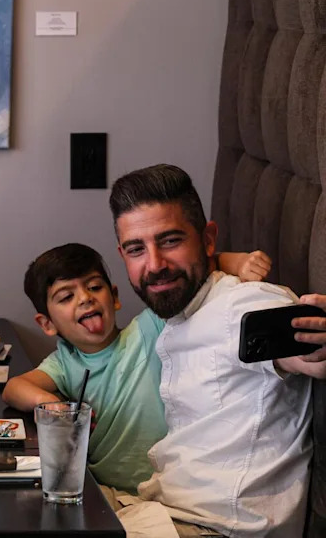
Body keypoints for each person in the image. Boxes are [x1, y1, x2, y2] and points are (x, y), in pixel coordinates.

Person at [109, 164, 325, 538]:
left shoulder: (246, 307)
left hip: (217, 530)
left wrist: (317, 347)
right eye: (136, 249)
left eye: (171, 240)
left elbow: (306, 351)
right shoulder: (180, 312)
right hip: (162, 513)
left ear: (208, 240)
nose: (155, 264)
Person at [2, 243, 271, 494]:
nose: (85, 299)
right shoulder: (64, 363)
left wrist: (238, 261)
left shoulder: (149, 328)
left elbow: (197, 268)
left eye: (94, 287)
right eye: (66, 297)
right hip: (105, 491)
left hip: (167, 486)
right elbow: (14, 388)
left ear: (115, 297)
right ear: (47, 324)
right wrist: (49, 403)